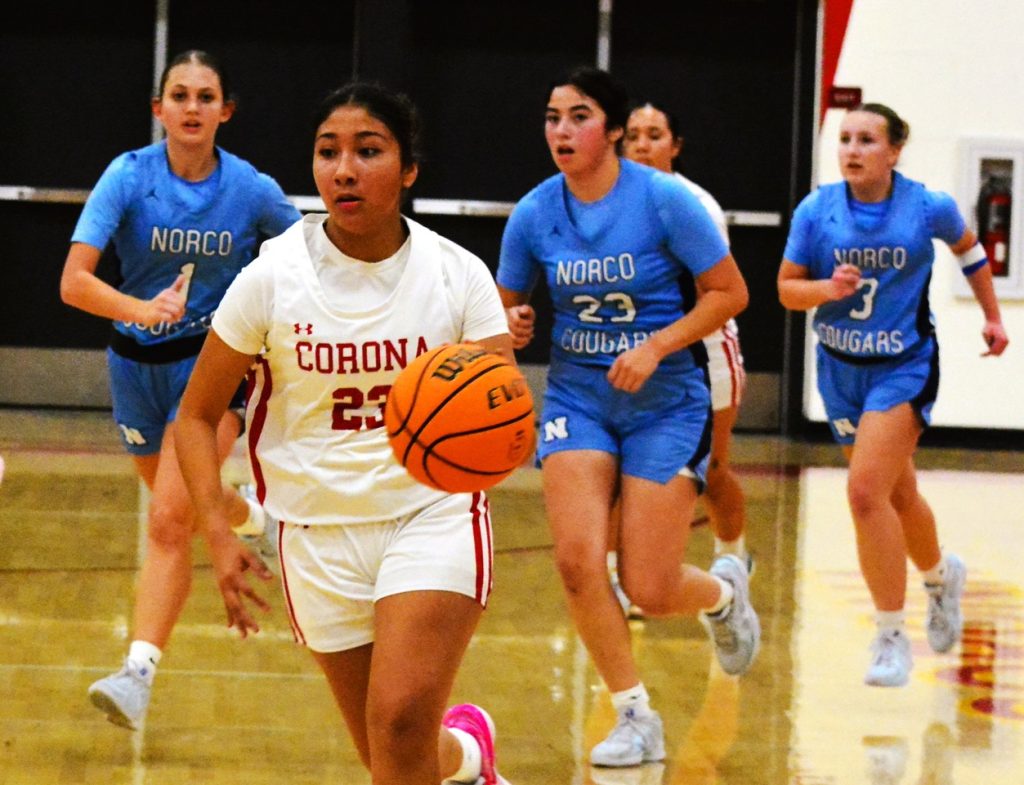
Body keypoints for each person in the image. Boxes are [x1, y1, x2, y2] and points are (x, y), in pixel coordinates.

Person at [174, 82, 513, 785]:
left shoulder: (457, 275)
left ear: (409, 168)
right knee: (394, 752)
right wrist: (217, 530)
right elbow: (196, 416)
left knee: (396, 725)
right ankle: (472, 758)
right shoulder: (272, 278)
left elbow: (505, 408)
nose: (344, 170)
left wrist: (479, 429)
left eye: (369, 151)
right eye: (328, 152)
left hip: (431, 511)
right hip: (316, 528)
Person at [497, 67, 760, 769]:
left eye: (577, 116)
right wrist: (513, 322)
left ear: (611, 130)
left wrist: (657, 342)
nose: (560, 130)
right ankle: (635, 713)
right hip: (578, 399)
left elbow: (729, 292)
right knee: (580, 561)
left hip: (666, 401)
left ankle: (722, 596)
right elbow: (504, 307)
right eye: (552, 116)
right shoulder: (533, 212)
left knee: (650, 583)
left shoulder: (666, 200)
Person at [59, 49, 301, 729]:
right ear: (158, 109)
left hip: (212, 364)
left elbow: (310, 255)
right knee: (191, 501)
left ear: (225, 111)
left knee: (169, 519)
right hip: (135, 362)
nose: (191, 108)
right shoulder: (128, 176)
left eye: (205, 97)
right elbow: (74, 280)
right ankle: (257, 518)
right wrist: (142, 311)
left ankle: (137, 672)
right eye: (179, 95)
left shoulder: (250, 189)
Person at [777, 103, 1009, 687]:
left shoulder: (925, 205)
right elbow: (785, 290)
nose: (852, 150)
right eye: (846, 139)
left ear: (895, 150)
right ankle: (939, 579)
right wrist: (824, 288)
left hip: (902, 366)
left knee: (862, 494)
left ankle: (888, 635)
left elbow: (972, 251)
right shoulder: (817, 211)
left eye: (867, 140)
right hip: (839, 371)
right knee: (898, 495)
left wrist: (992, 317)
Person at [619, 100, 751, 584]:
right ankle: (623, 573)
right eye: (633, 135)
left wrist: (655, 337)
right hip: (638, 356)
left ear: (674, 146)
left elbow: (713, 294)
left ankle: (733, 560)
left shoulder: (696, 206)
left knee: (712, 472)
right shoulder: (608, 205)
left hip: (705, 353)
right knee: (625, 469)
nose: (641, 145)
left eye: (654, 135)